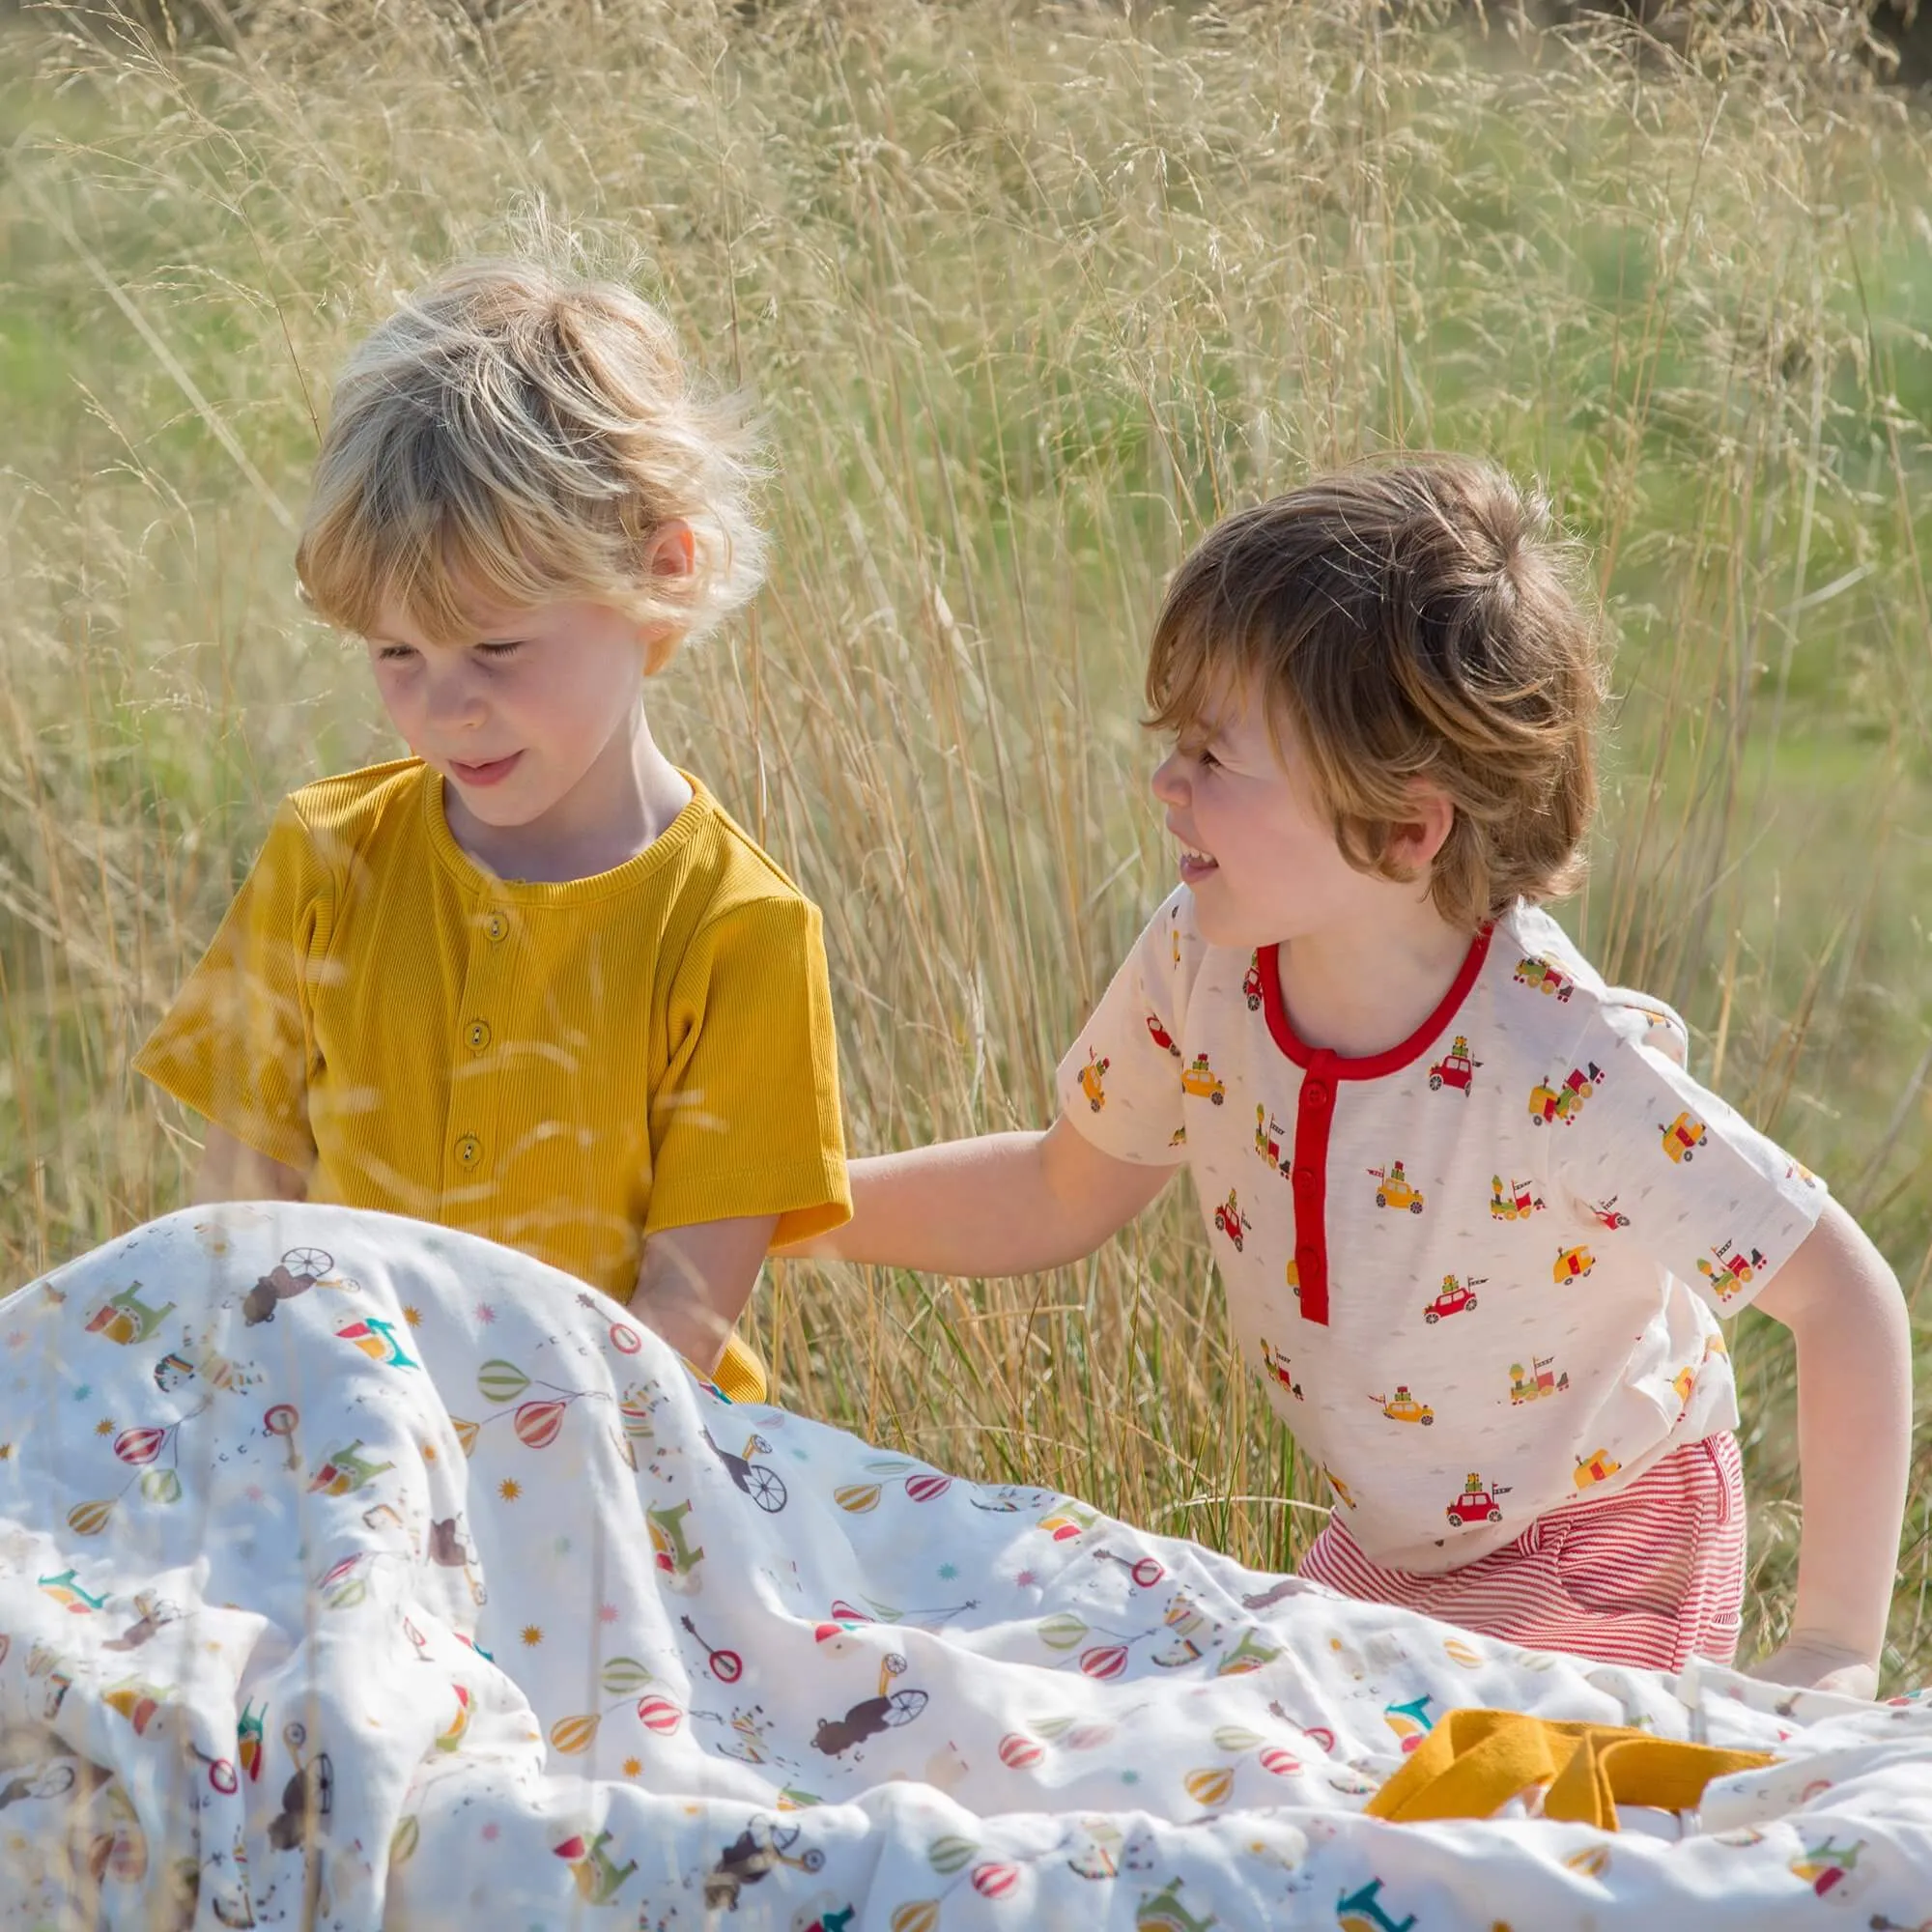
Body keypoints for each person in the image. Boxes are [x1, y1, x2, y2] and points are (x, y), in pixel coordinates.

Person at [785, 458, 1911, 1691]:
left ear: (1404, 825)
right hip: (1393, 1549)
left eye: (1215, 754)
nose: (1166, 782)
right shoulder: (1197, 961)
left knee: (1460, 1847)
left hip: (1603, 1536)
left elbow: (1842, 1298)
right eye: (1175, 743)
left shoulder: (1557, 1064)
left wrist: (1831, 1648)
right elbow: (1057, 1190)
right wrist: (784, 1201)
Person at [136, 256, 850, 1402]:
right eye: (395, 653)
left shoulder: (741, 933)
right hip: (324, 1439)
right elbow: (229, 1228)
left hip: (614, 1477)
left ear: (660, 574)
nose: (445, 705)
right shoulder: (324, 856)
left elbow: (680, 1322)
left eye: (497, 648)